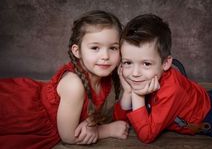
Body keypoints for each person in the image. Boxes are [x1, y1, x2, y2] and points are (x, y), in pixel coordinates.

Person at [0, 10, 129, 149]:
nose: (105, 56)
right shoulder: (74, 85)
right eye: (95, 48)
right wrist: (104, 130)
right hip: (22, 110)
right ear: (77, 51)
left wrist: (91, 121)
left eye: (113, 48)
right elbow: (68, 136)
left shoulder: (105, 77)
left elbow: (96, 109)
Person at [114, 14, 212, 143]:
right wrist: (128, 92)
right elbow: (120, 122)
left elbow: (146, 135)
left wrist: (137, 95)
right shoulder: (143, 78)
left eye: (146, 64)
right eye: (128, 62)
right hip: (209, 98)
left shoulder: (171, 90)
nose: (135, 73)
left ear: (165, 63)